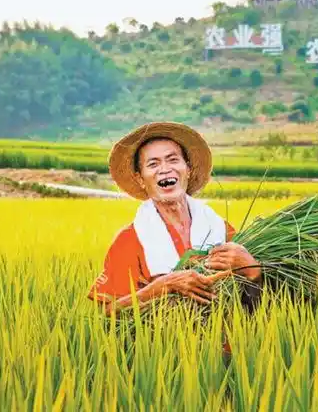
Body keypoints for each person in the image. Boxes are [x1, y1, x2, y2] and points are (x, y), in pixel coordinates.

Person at [87, 121, 262, 315]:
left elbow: (252, 305)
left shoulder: (221, 229)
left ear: (188, 169)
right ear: (140, 179)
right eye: (153, 164)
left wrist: (254, 270)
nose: (164, 169)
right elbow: (108, 312)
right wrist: (162, 286)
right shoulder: (129, 241)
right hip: (162, 343)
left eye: (172, 160)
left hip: (227, 343)